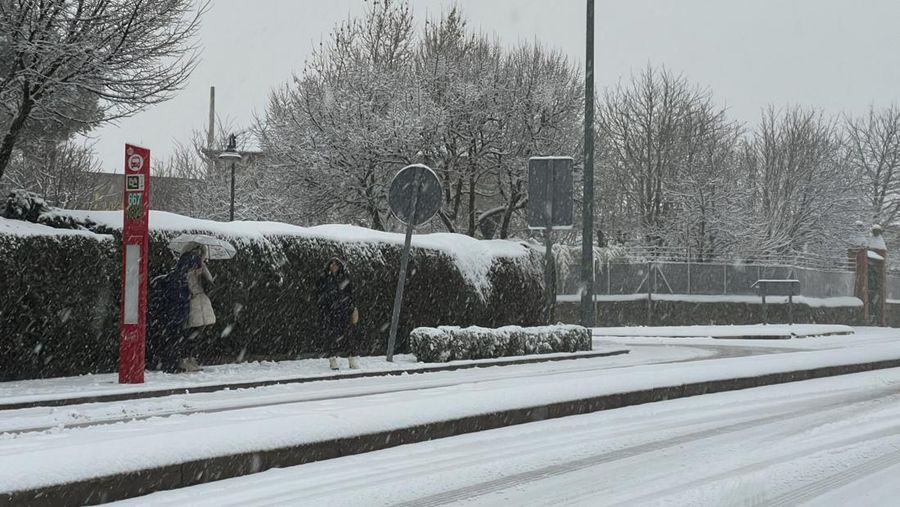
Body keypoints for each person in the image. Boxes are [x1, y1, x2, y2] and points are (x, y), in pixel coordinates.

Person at [316, 257, 361, 370]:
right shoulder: (325, 279)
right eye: (332, 264)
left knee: (349, 336)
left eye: (336, 264)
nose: (334, 266)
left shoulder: (344, 278)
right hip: (330, 313)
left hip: (344, 312)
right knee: (332, 337)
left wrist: (351, 307)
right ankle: (333, 359)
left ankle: (352, 359)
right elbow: (321, 294)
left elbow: (350, 294)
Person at [181, 245, 215, 371]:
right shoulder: (190, 267)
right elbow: (208, 282)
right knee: (192, 332)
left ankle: (189, 358)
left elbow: (209, 282)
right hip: (195, 301)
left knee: (194, 332)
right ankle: (187, 358)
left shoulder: (196, 267)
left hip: (198, 301)